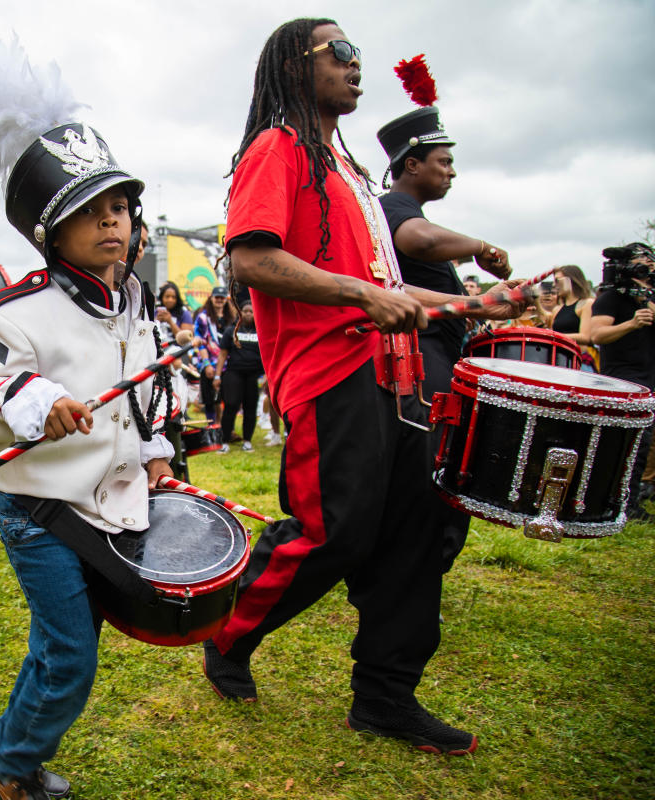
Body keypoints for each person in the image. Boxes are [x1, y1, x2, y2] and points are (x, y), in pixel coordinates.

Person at [201, 17, 517, 756]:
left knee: (413, 534)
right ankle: (228, 634)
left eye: (357, 54)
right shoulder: (276, 148)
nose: (354, 64)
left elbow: (388, 288)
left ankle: (385, 697)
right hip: (328, 375)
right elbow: (251, 260)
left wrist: (474, 303)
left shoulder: (349, 171)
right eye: (338, 52)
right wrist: (359, 296)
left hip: (399, 378)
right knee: (332, 532)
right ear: (293, 65)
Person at [0, 39, 175, 798]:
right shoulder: (14, 312)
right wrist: (36, 403)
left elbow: (144, 397)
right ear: (49, 232)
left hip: (114, 505)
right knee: (71, 656)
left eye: (120, 207)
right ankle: (7, 765)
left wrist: (157, 452)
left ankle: (13, 750)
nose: (112, 223)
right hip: (41, 511)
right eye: (89, 213)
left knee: (65, 644)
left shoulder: (134, 305)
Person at [376, 102, 515, 572]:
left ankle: (421, 565)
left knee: (444, 467)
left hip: (437, 350)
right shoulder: (397, 207)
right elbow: (421, 242)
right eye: (445, 161)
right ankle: (413, 568)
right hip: (422, 352)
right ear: (411, 165)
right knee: (435, 468)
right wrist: (482, 248)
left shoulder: (410, 209)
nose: (452, 172)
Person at [587, 242, 655, 522]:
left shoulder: (650, 298)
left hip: (649, 375)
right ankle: (615, 504)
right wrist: (632, 323)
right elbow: (597, 335)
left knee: (643, 443)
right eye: (643, 258)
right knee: (628, 444)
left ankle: (629, 502)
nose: (650, 263)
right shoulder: (611, 298)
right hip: (624, 379)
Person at [215, 299, 263, 452]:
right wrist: (217, 376)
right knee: (231, 405)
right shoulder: (231, 331)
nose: (248, 314)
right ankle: (225, 441)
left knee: (251, 408)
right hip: (234, 373)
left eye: (251, 311)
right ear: (239, 312)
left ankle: (247, 441)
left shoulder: (261, 331)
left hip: (254, 375)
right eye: (245, 311)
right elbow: (222, 354)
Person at [193, 285, 235, 422]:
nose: (219, 300)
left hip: (227, 365)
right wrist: (207, 364)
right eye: (217, 297)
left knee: (225, 398)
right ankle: (211, 427)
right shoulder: (203, 318)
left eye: (222, 298)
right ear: (211, 298)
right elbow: (201, 342)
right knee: (210, 399)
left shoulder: (232, 318)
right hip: (209, 363)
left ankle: (222, 426)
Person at [547, 264, 595, 347]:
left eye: (557, 280)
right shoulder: (557, 309)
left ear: (571, 280)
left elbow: (585, 337)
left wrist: (554, 336)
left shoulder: (587, 304)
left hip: (579, 356)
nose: (554, 285)